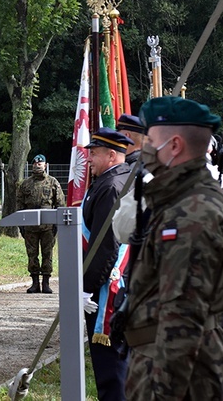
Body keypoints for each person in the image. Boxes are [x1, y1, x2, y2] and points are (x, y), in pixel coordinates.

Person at [124, 97, 223, 400]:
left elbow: (183, 317)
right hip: (168, 366)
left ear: (175, 146)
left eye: (151, 141)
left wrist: (162, 392)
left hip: (181, 379)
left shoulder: (193, 212)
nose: (144, 149)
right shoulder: (181, 200)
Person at [81, 127, 133, 401]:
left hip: (105, 292)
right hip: (102, 287)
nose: (88, 159)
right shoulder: (110, 180)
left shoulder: (112, 186)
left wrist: (86, 288)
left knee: (111, 368)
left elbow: (106, 246)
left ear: (111, 155)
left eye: (94, 153)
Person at [16, 154, 65, 294]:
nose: (38, 165)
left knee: (47, 254)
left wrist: (57, 223)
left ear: (45, 165)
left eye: (40, 163)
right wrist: (21, 225)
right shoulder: (25, 184)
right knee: (32, 254)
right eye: (35, 163)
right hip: (30, 228)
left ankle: (46, 282)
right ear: (32, 166)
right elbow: (19, 205)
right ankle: (35, 283)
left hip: (48, 227)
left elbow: (60, 203)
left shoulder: (52, 182)